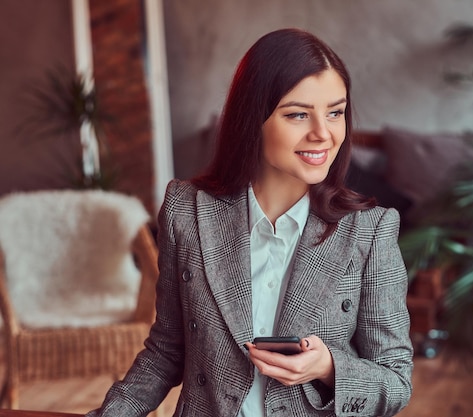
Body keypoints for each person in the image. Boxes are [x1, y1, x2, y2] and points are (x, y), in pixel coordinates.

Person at [86, 27, 413, 417]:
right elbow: (166, 350)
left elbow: (396, 383)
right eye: (297, 114)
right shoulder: (186, 211)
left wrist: (328, 367)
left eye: (335, 112)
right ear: (252, 117)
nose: (323, 134)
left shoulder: (370, 231)